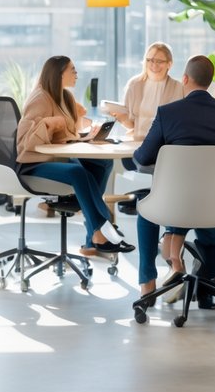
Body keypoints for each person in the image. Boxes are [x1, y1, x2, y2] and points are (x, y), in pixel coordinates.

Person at [132, 55, 215, 305]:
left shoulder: (168, 113)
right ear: (210, 81)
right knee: (208, 220)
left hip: (176, 207)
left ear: (185, 79)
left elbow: (142, 157)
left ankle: (147, 285)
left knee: (146, 204)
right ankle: (213, 276)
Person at [17, 55, 133, 256]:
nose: (77, 74)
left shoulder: (66, 97)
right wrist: (49, 123)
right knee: (78, 172)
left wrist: (87, 135)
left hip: (58, 158)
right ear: (59, 74)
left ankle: (86, 221)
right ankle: (100, 229)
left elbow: (65, 136)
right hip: (33, 163)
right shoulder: (40, 98)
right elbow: (26, 141)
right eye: (73, 70)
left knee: (103, 164)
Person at [115, 42, 183, 141]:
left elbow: (178, 123)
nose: (154, 65)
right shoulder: (134, 84)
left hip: (164, 145)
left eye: (159, 61)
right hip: (137, 144)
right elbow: (131, 124)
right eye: (149, 60)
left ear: (169, 64)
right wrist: (121, 117)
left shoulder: (178, 87)